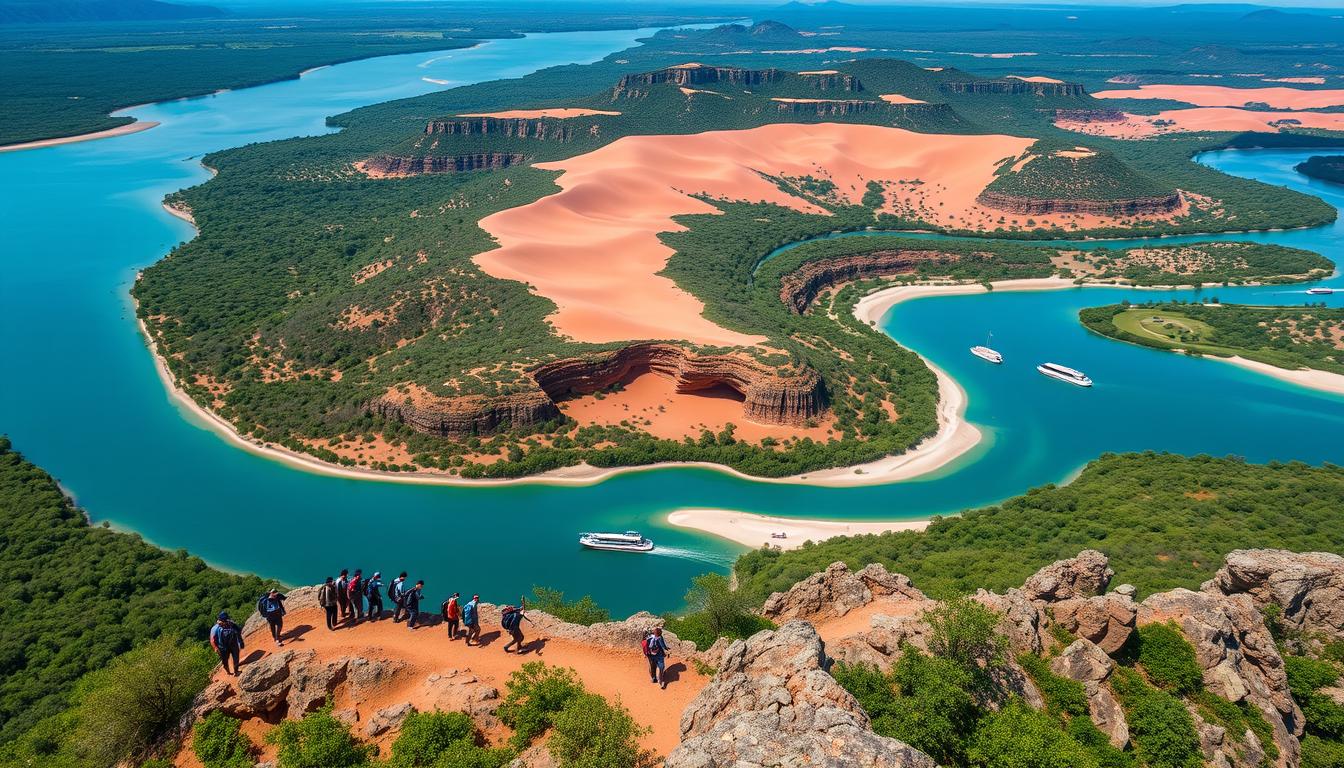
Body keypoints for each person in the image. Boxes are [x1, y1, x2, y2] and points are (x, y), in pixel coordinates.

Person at [210, 611, 245, 676]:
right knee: (226, 661)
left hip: (227, 646)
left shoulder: (229, 624)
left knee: (234, 658)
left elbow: (238, 632)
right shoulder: (216, 628)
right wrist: (215, 648)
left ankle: (235, 671)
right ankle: (229, 672)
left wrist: (240, 641)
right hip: (225, 647)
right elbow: (212, 640)